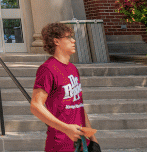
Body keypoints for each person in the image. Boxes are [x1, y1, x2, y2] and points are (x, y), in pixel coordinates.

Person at [30, 22, 97, 152]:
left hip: (82, 143)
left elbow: (79, 105)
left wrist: (93, 140)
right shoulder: (47, 69)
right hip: (60, 144)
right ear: (56, 41)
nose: (73, 41)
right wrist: (66, 128)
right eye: (68, 37)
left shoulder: (73, 68)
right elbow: (35, 106)